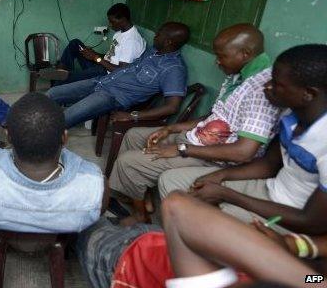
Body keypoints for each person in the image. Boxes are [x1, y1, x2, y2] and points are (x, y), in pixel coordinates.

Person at [109, 23, 282, 224]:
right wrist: (170, 128)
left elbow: (243, 152)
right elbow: (213, 117)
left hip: (214, 156)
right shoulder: (236, 76)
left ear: (245, 53)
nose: (217, 62)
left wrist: (182, 148)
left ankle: (141, 216)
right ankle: (138, 195)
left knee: (128, 162)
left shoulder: (262, 90)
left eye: (222, 56)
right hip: (199, 139)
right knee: (135, 135)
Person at [157, 44, 327, 230]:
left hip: (292, 216)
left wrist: (227, 194)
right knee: (171, 182)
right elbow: (269, 165)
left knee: (211, 220)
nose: (267, 86)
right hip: (270, 188)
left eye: (277, 84)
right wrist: (220, 175)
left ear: (309, 94)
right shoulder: (291, 115)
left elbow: (310, 220)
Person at [77, 191, 320, 288]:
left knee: (86, 225)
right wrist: (294, 245)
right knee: (133, 227)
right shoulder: (311, 278)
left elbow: (177, 206)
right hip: (167, 242)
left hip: (124, 264)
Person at [0, 93, 109, 233]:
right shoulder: (95, 184)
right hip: (62, 236)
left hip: (0, 231)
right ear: (64, 138)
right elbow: (97, 213)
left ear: (8, 136)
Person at [46, 22, 190, 129]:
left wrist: (132, 115)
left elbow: (172, 107)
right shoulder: (153, 52)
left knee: (65, 118)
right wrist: (98, 59)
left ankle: (39, 144)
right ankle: (33, 122)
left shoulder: (174, 69)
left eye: (159, 34)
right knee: (51, 94)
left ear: (168, 41)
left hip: (112, 97)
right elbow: (128, 68)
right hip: (102, 81)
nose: (155, 35)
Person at [44, 3, 146, 84]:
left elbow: (121, 71)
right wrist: (92, 53)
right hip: (101, 65)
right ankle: (61, 72)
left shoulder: (132, 41)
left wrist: (95, 57)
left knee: (71, 76)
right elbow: (110, 57)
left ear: (123, 19)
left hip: (106, 74)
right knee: (75, 43)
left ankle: (62, 78)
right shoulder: (119, 33)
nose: (110, 25)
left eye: (112, 22)